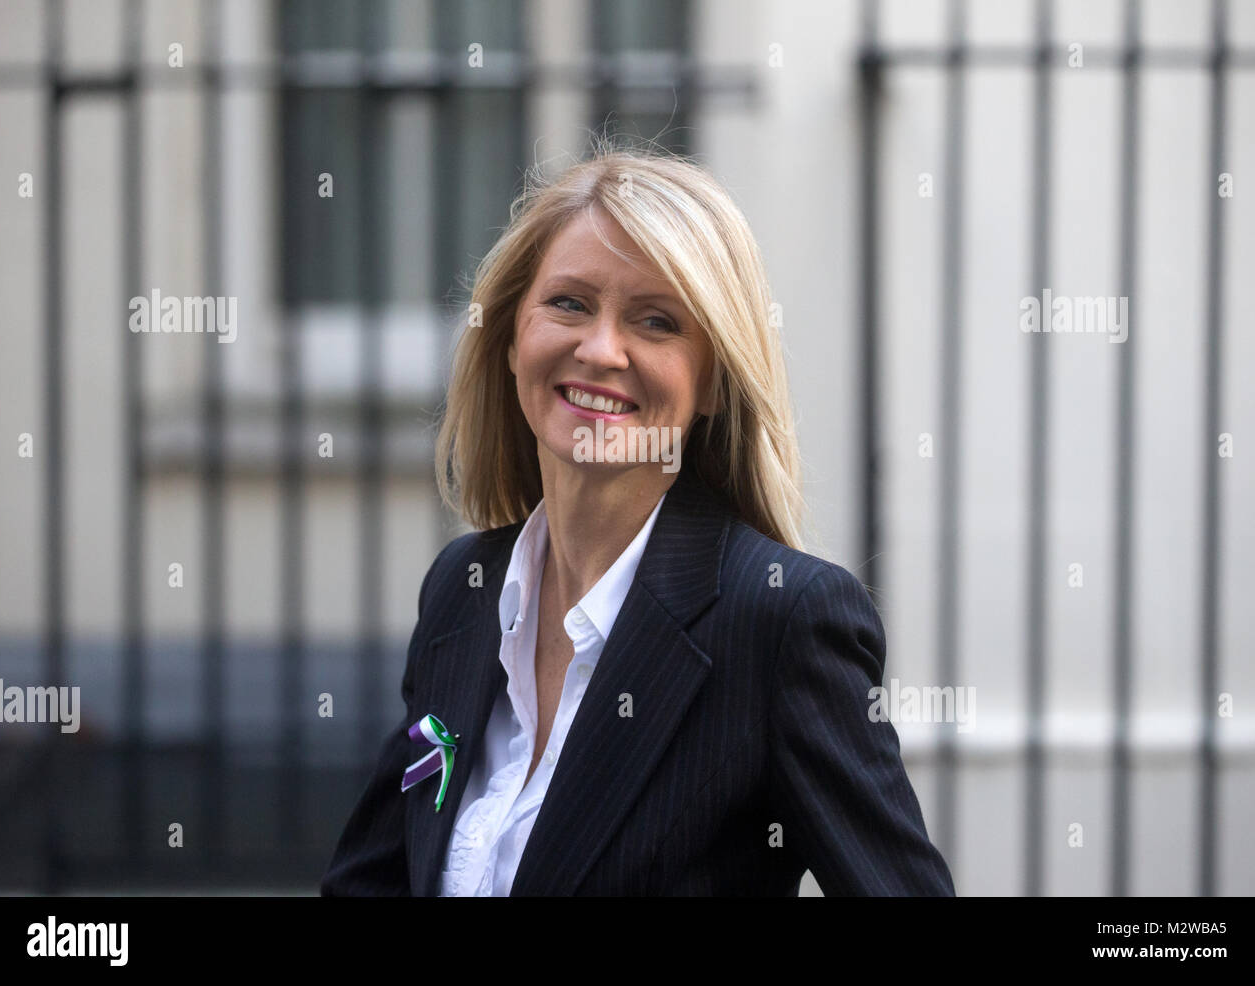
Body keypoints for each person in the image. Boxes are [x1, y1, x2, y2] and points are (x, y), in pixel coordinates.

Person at [321, 141, 955, 896]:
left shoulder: (781, 621)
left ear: (714, 383)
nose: (600, 350)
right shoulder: (465, 589)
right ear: (512, 337)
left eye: (656, 322)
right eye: (568, 304)